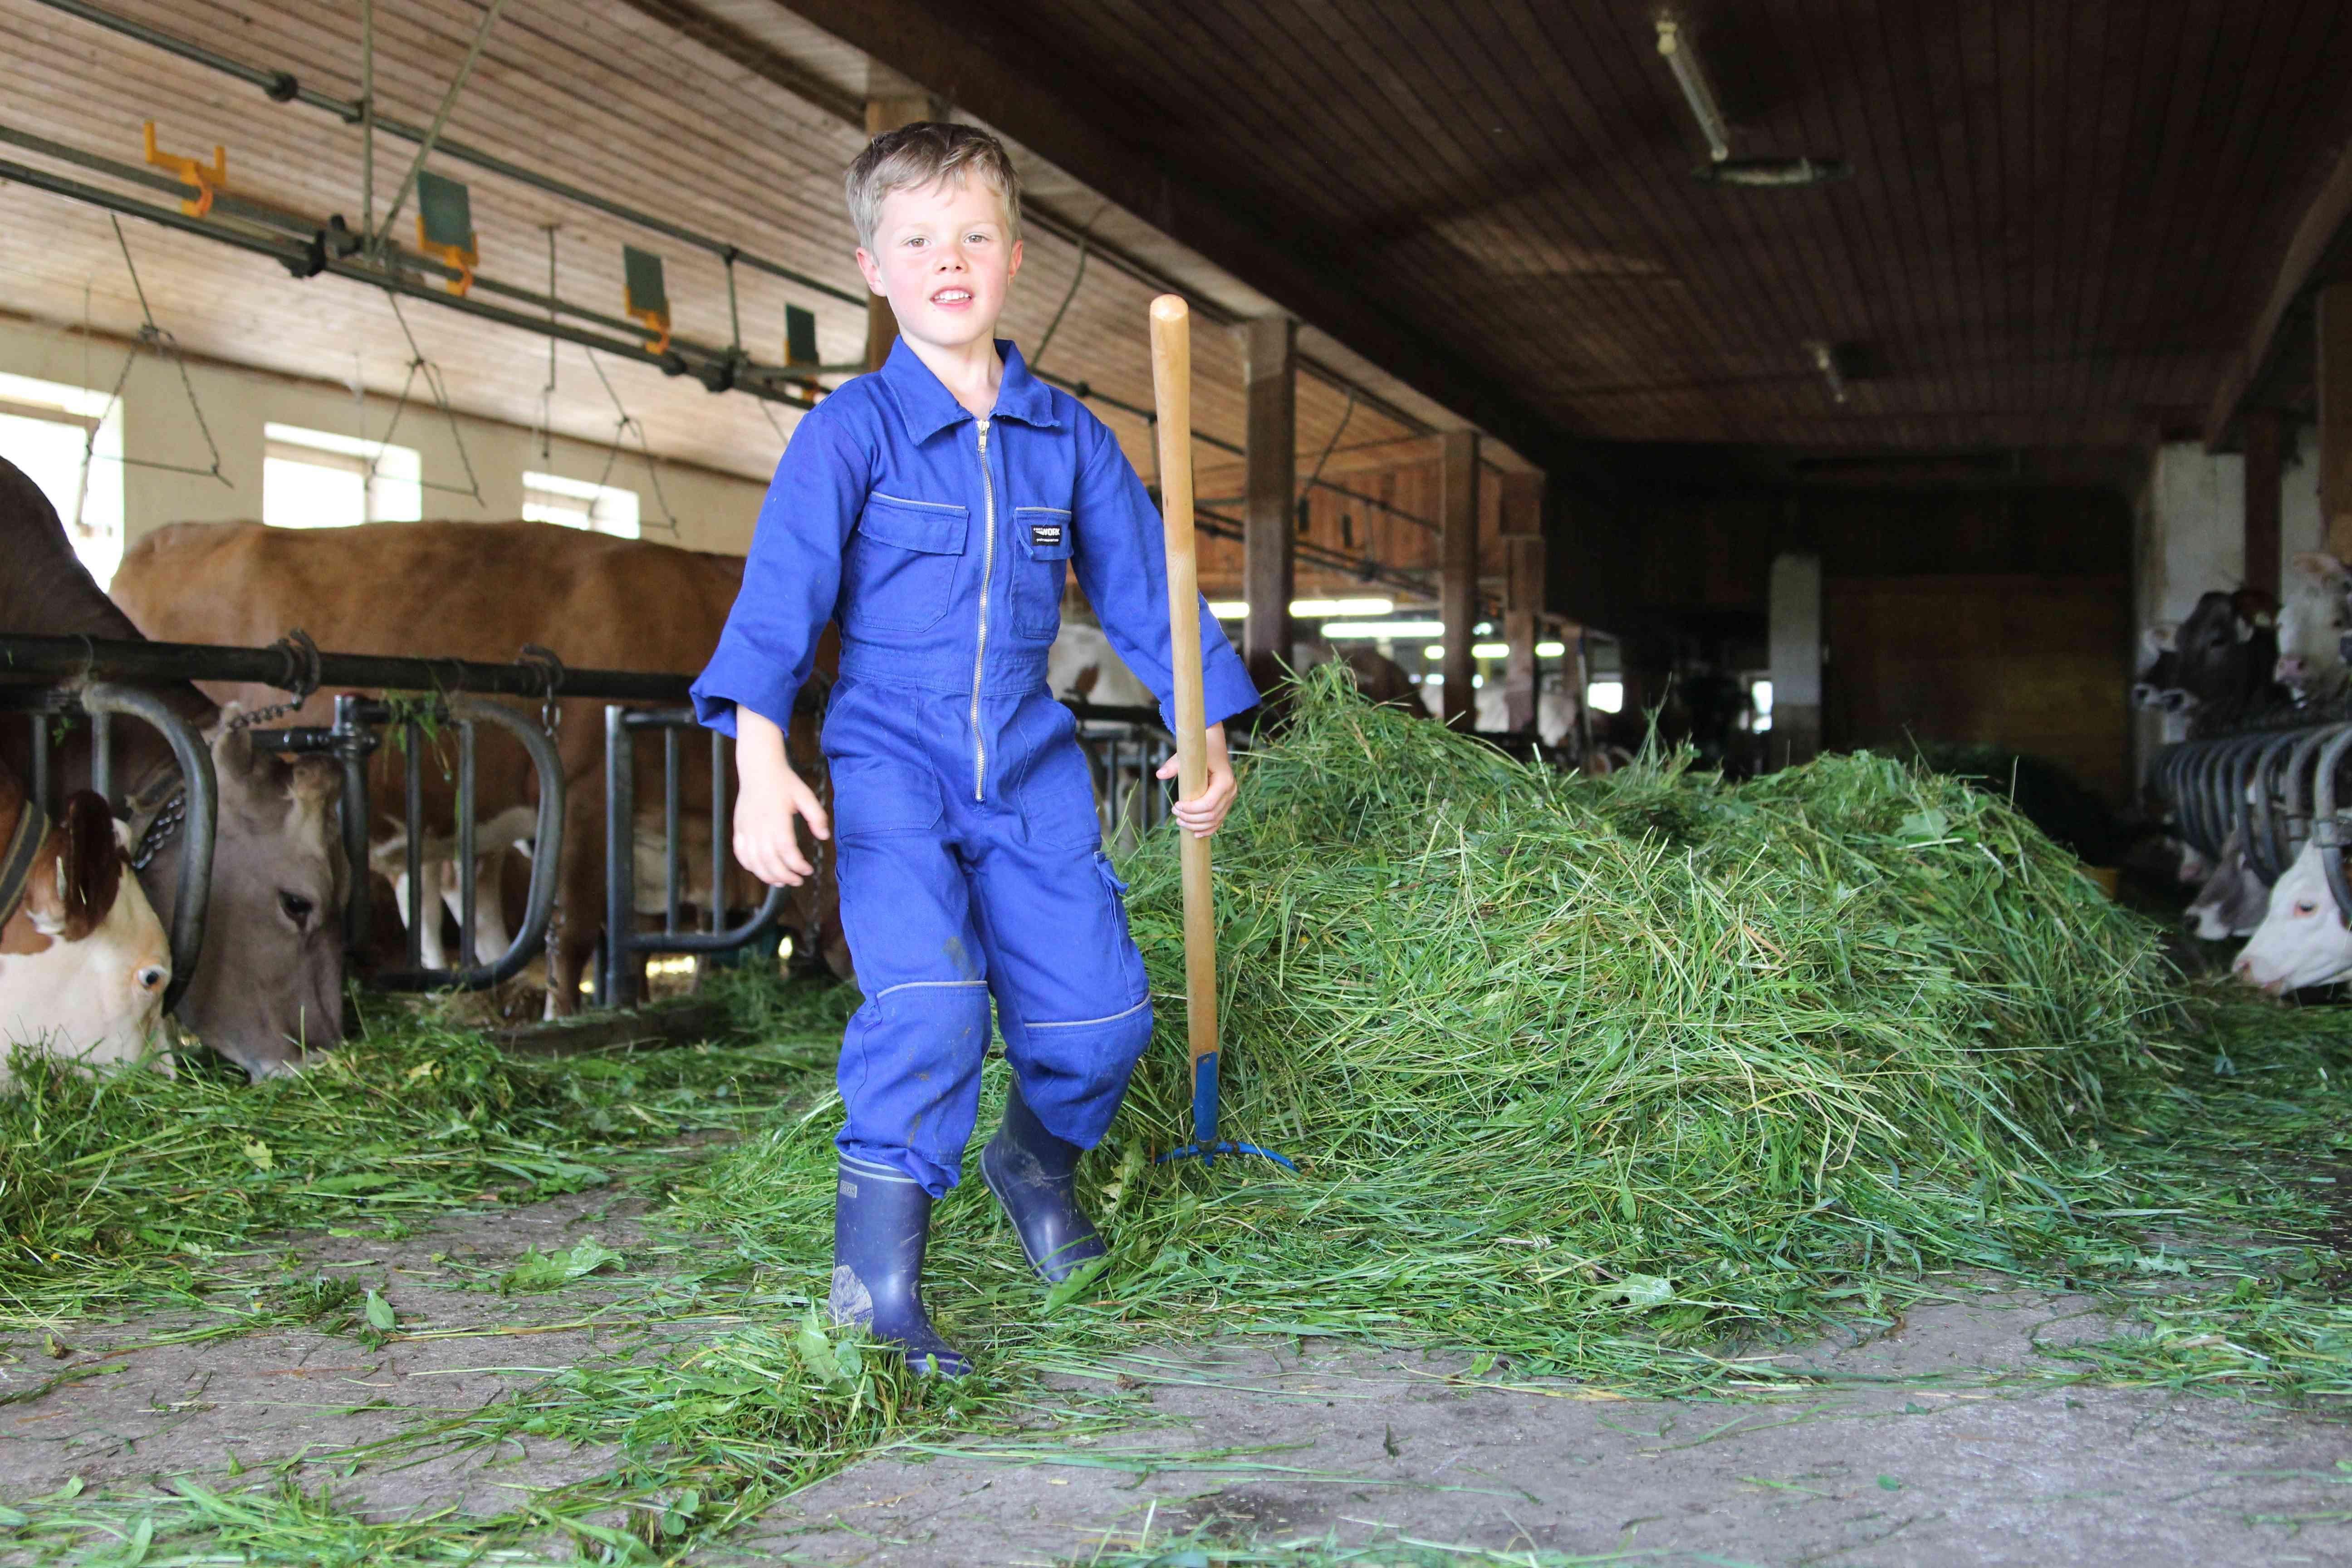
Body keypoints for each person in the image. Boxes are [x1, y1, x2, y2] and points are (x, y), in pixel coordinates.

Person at [691, 122, 1257, 1376]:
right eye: (916, 241)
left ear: (1015, 258)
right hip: (890, 760)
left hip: (1029, 759)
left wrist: (1202, 725)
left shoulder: (1069, 439)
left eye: (974, 236)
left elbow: (1148, 593)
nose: (948, 260)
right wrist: (761, 761)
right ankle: (876, 1295)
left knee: (1105, 1025)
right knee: (936, 1011)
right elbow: (777, 602)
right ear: (873, 268)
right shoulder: (850, 433)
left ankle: (1033, 1165)